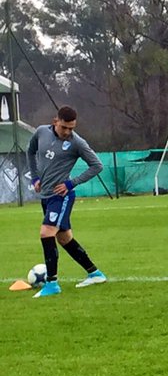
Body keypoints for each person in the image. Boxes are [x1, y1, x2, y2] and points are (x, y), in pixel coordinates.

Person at [25, 105, 108, 298]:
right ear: (56, 122)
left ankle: (52, 284)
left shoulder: (77, 143)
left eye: (72, 128)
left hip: (61, 197)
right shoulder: (41, 132)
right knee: (64, 238)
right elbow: (30, 152)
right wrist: (35, 178)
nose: (68, 132)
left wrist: (71, 183)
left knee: (46, 233)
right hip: (45, 195)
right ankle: (95, 273)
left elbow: (97, 165)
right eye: (65, 127)